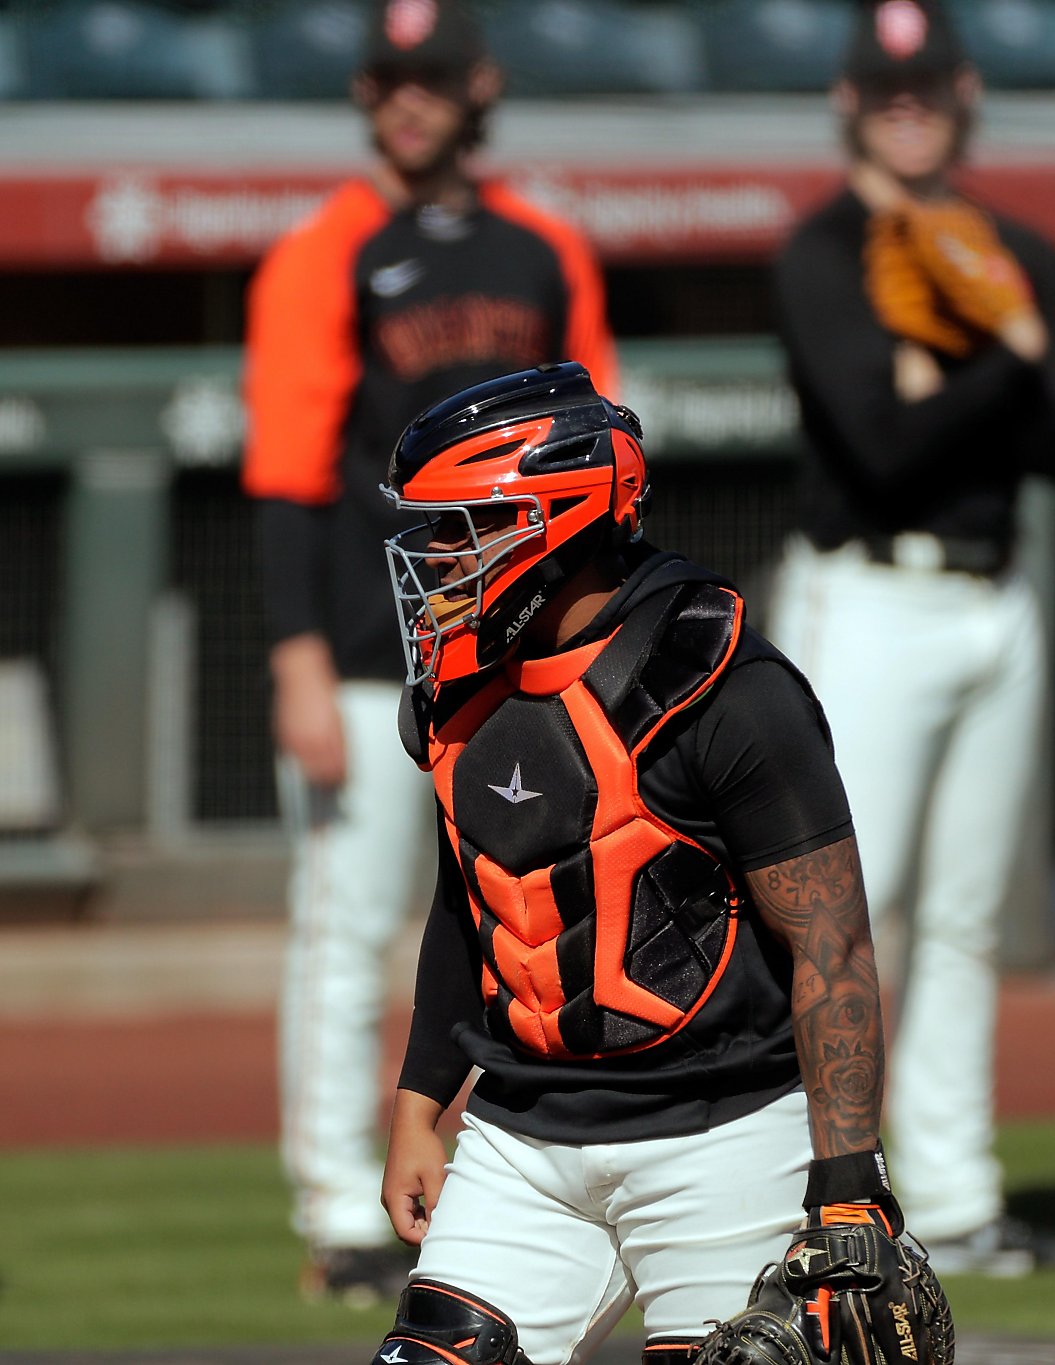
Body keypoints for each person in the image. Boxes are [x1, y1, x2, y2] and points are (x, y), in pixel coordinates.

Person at [372, 363, 949, 1364]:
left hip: (722, 1135)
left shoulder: (723, 682)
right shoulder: (456, 688)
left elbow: (831, 940)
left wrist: (848, 1179)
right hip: (522, 1135)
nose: (435, 557)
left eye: (462, 526)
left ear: (552, 519)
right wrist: (421, 1107)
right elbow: (469, 904)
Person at [240, 0, 616, 1304]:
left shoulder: (543, 249)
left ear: (479, 86)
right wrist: (294, 658)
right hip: (366, 650)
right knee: (347, 933)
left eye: (433, 76)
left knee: (543, 923)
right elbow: (286, 478)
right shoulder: (323, 255)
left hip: (520, 658)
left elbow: (598, 460)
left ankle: (557, 1178)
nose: (410, 99)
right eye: (391, 77)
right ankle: (337, 1204)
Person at [766, 0, 1055, 1276]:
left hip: (991, 598)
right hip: (869, 597)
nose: (909, 109)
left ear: (961, 98)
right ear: (848, 100)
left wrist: (966, 357)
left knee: (964, 916)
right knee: (843, 910)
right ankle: (810, 1196)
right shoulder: (818, 251)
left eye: (928, 90)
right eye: (886, 91)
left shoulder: (1010, 240)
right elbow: (878, 446)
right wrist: (1002, 349)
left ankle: (953, 1198)